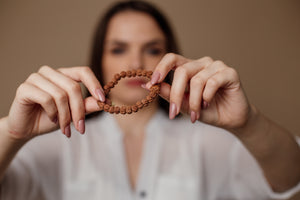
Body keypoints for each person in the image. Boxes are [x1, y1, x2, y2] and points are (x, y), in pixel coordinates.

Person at [0, 1, 299, 199]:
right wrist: (11, 133)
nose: (135, 61)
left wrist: (249, 123)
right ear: (99, 60)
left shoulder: (208, 141)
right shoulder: (55, 143)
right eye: (118, 49)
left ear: (168, 58)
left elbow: (291, 178)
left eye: (152, 49)